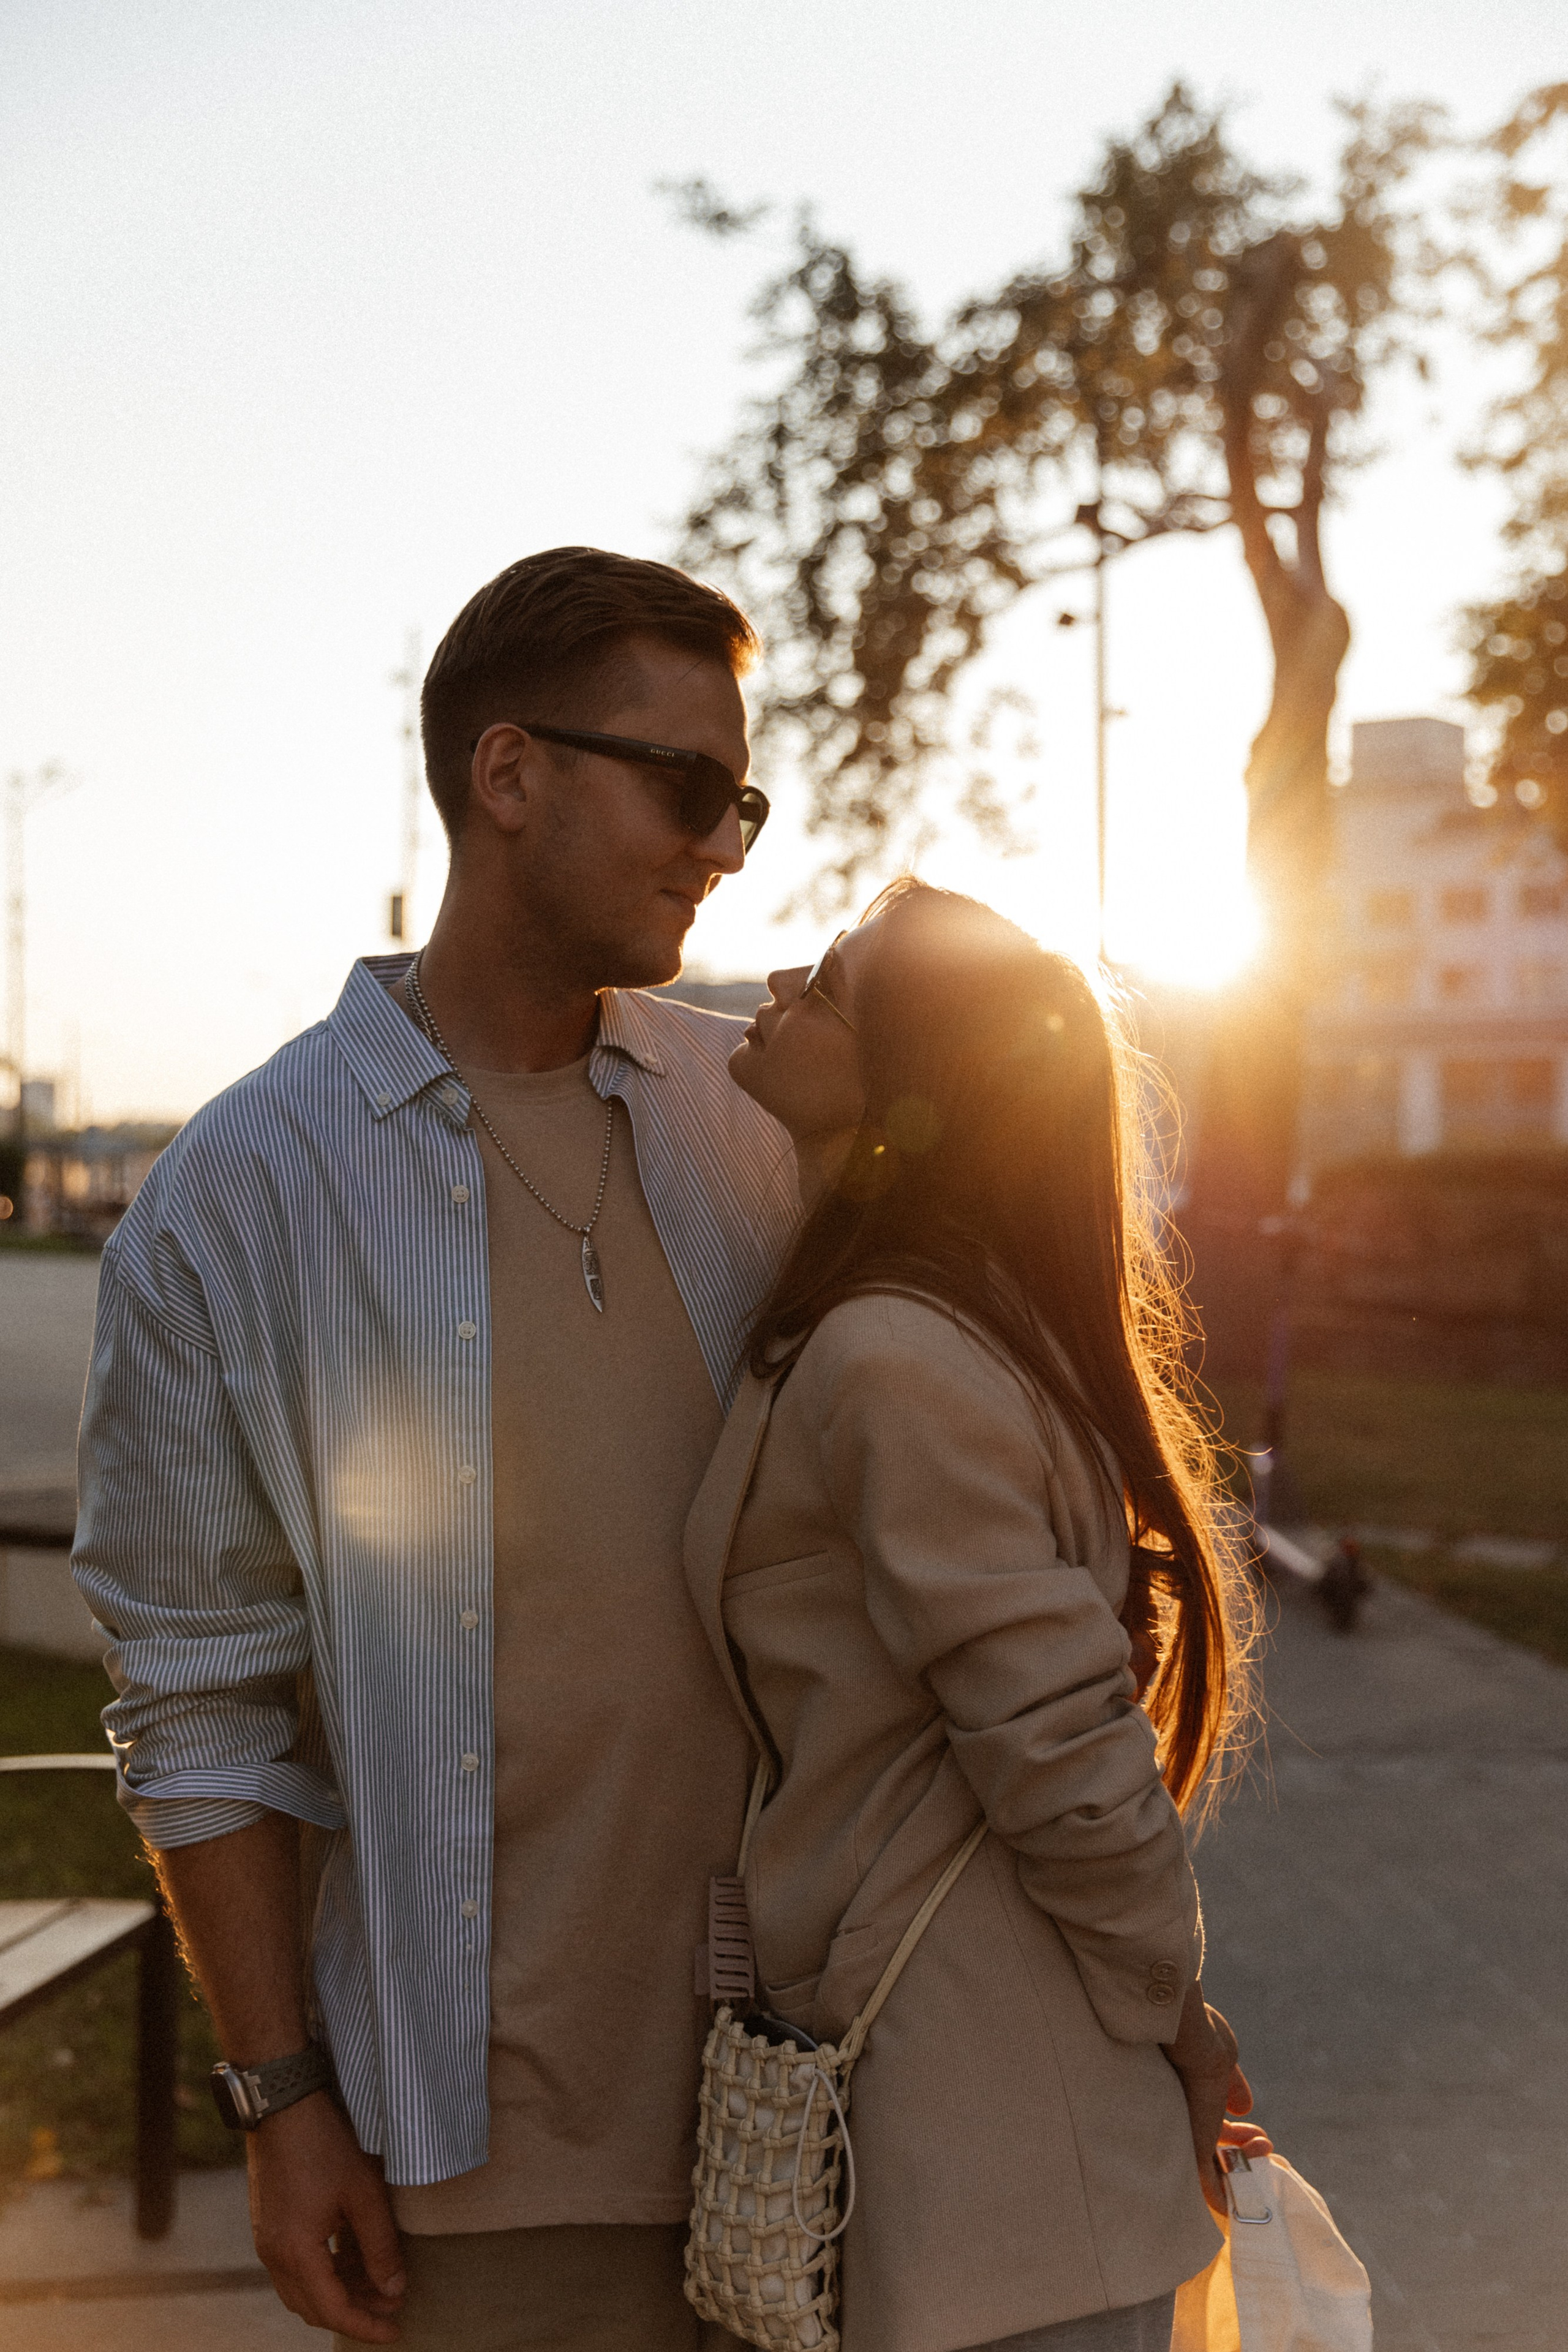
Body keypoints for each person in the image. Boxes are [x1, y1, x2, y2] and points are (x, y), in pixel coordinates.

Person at [72, 548, 798, 2350]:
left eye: (747, 802)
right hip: (481, 2174)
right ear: (508, 773)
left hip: (827, 2111)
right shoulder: (236, 1200)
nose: (725, 844)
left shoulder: (758, 1124)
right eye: (689, 789)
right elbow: (197, 1695)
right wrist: (279, 2099)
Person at [684, 879, 1267, 2352]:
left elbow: (1066, 1755)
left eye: (827, 981)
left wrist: (1173, 2020)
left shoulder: (894, 1354)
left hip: (1005, 2167)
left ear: (909, 1083)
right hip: (971, 2144)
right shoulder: (887, 1323)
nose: (776, 982)